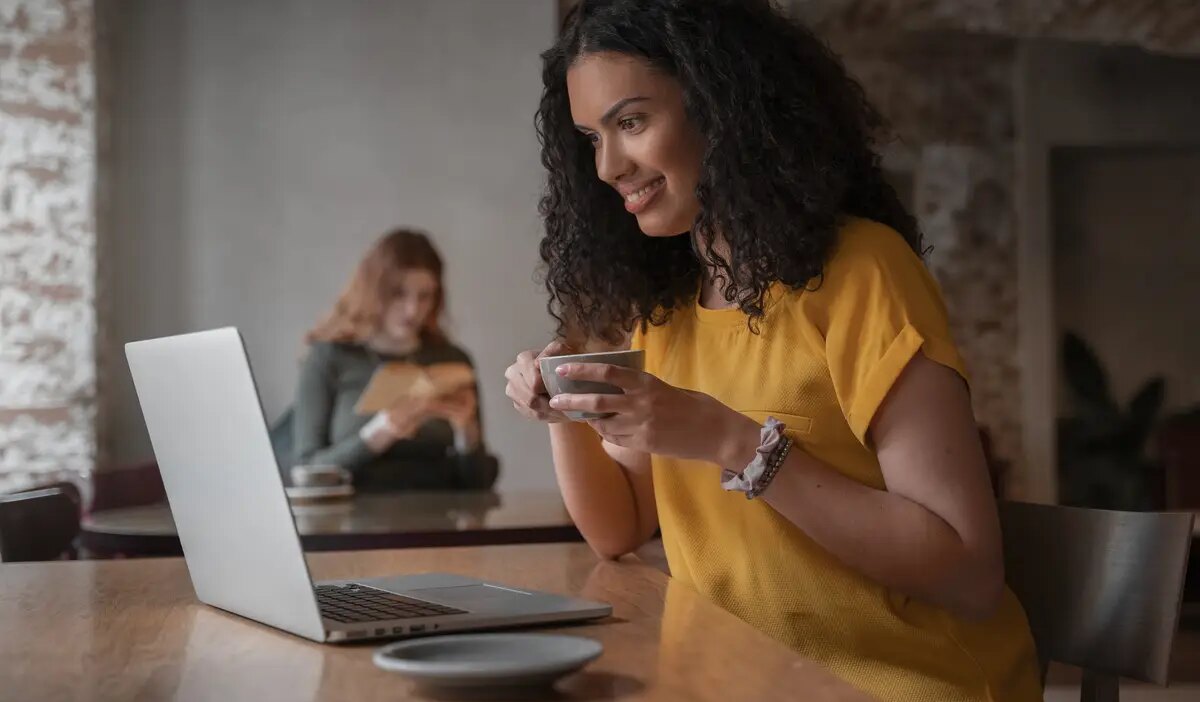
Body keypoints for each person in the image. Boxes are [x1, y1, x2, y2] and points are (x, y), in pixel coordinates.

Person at [504, 1, 1041, 700]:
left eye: (631, 122)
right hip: (739, 681)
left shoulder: (862, 271)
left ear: (721, 106)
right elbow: (620, 528)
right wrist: (565, 411)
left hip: (896, 683)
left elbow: (968, 575)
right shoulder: (669, 308)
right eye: (590, 138)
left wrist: (736, 443)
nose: (607, 166)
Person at [294, 228, 498, 491]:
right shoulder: (330, 357)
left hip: (439, 515)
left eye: (424, 296)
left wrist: (466, 431)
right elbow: (306, 473)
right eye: (399, 294)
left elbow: (478, 485)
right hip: (354, 518)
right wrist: (382, 431)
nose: (413, 310)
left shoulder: (452, 359)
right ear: (374, 291)